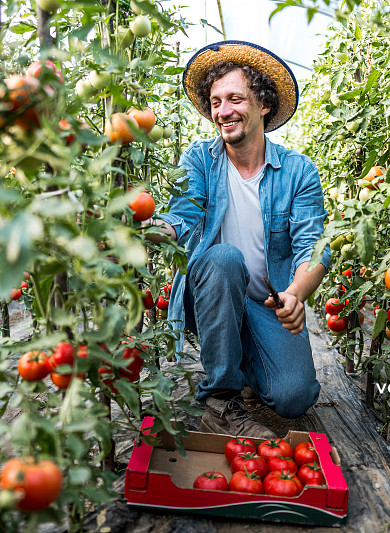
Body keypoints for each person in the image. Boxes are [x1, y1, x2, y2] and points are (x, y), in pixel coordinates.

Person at [149, 41, 331, 438]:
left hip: (267, 304)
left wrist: (295, 294)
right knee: (224, 258)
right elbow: (181, 216)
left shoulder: (298, 172)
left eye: (235, 98)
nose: (223, 111)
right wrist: (147, 228)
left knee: (293, 397)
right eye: (216, 102)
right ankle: (219, 402)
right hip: (210, 296)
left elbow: (313, 246)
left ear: (263, 104)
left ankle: (247, 366)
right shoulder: (200, 159)